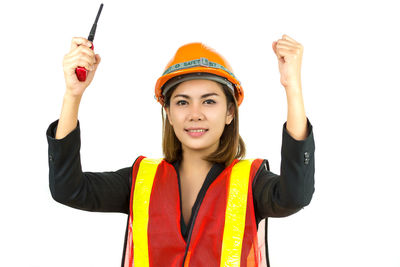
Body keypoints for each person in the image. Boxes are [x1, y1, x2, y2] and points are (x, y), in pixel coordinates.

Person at [46, 34, 315, 267]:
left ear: (230, 112)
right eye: (182, 102)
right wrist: (73, 94)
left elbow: (295, 195)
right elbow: (68, 189)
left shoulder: (249, 183)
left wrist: (293, 87)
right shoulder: (141, 182)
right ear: (169, 114)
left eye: (209, 101)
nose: (195, 114)